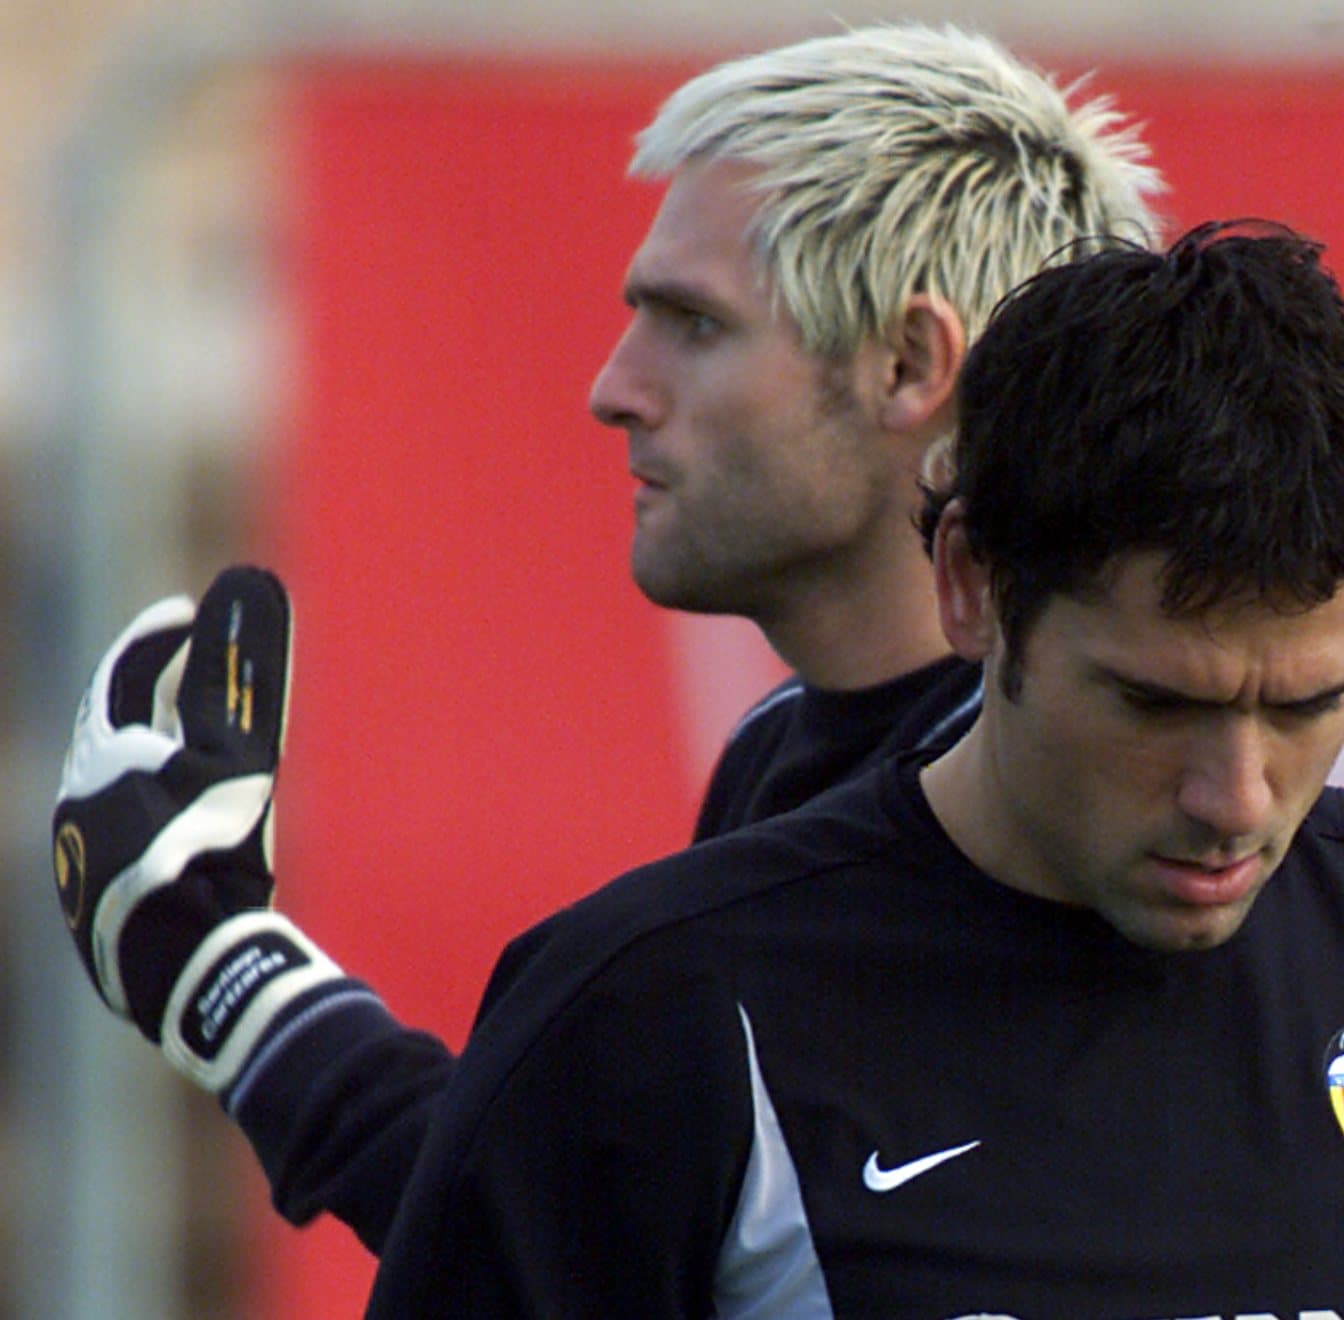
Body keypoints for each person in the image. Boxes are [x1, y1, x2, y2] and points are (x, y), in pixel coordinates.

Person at [362, 224, 1344, 1316]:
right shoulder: (659, 1018)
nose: (1238, 797)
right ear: (973, 585)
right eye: (1156, 704)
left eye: (1310, 704)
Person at [48, 23, 1162, 1256]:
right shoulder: (800, 754)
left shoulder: (1036, 811)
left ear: (909, 364)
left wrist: (225, 971)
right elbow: (595, 1232)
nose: (614, 388)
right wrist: (224, 964)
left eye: (694, 324)